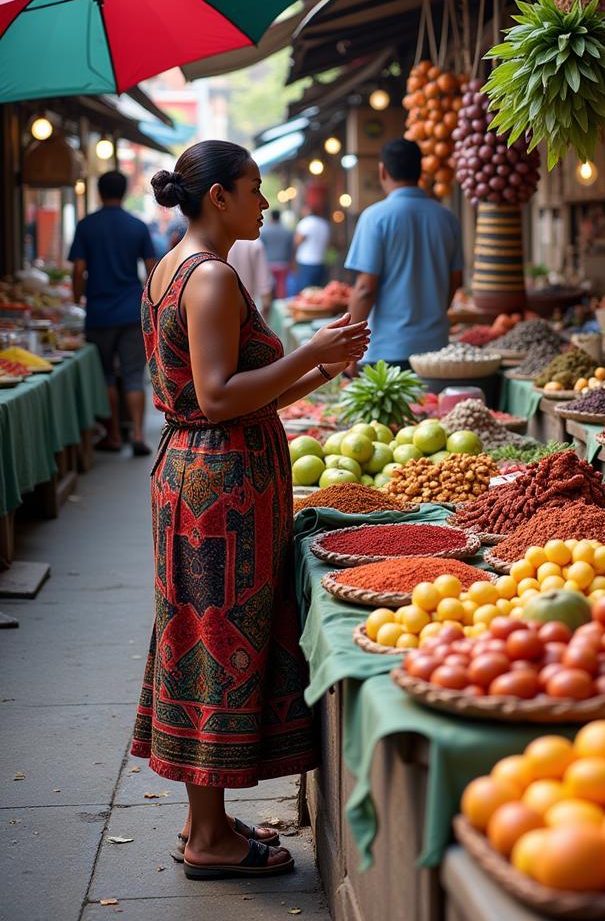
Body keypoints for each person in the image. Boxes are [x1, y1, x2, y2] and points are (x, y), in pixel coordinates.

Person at [135, 140, 369, 880]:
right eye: (255, 188)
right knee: (213, 640)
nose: (266, 203)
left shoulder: (177, 267)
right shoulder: (210, 280)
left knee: (202, 634)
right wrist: (307, 355)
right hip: (217, 490)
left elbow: (243, 387)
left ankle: (205, 821)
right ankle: (209, 841)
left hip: (207, 478)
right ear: (219, 199)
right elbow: (217, 398)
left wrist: (319, 367)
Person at [345, 138, 463, 369]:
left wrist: (349, 349)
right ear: (420, 170)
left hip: (386, 351)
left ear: (383, 171)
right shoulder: (447, 218)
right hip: (436, 351)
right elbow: (455, 280)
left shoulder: (375, 217)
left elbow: (365, 289)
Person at [69, 170, 157, 455]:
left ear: (98, 192)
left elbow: (79, 269)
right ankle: (139, 435)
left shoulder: (86, 226)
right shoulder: (137, 226)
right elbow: (152, 267)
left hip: (99, 312)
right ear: (125, 192)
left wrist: (77, 297)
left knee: (106, 374)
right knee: (133, 375)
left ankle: (114, 435)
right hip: (131, 310)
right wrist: (149, 300)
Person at [287, 202, 330, 296]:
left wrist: (293, 259)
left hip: (306, 262)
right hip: (321, 262)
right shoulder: (324, 224)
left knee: (306, 294)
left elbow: (296, 242)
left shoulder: (305, 223)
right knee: (318, 293)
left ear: (308, 210)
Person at [226, 230, 273, 316]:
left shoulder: (217, 243)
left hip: (224, 309)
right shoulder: (254, 244)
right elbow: (264, 285)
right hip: (248, 311)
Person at [259, 209, 292, 299]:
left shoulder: (264, 231)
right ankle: (280, 306)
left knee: (268, 285)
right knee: (281, 285)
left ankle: (270, 303)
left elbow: (261, 247)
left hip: (268, 262)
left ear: (271, 217)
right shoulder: (287, 231)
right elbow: (291, 248)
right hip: (283, 262)